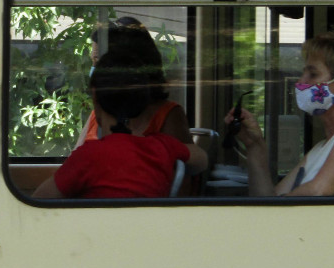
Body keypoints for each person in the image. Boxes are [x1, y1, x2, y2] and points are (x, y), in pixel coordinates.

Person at [226, 32, 334, 196]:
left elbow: (319, 191)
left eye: (312, 74)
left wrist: (275, 210)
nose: (301, 82)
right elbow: (269, 201)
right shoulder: (320, 149)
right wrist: (255, 146)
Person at [34, 52, 207, 199]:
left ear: (96, 99)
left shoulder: (88, 156)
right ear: (144, 101)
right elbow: (201, 160)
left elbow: (39, 200)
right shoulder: (162, 147)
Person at [75, 16, 192, 149]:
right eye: (94, 62)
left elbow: (190, 160)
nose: (95, 69)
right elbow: (74, 160)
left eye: (100, 62)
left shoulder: (168, 116)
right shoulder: (100, 113)